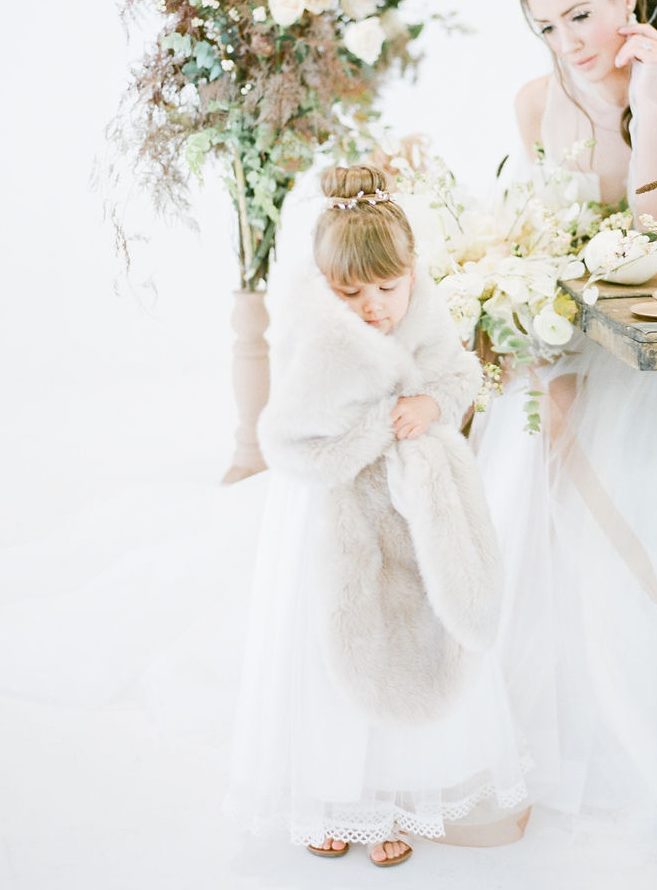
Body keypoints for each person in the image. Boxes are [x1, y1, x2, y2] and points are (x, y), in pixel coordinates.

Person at [475, 0, 657, 864]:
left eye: (580, 16)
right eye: (546, 27)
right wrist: (527, 334)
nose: (567, 43)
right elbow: (531, 241)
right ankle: (518, 730)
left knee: (606, 462)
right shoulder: (535, 101)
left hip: (653, 341)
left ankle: (634, 736)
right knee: (532, 449)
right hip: (556, 329)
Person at [224, 165, 530, 867]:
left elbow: (461, 373)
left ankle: (391, 800)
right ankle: (327, 800)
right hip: (332, 513)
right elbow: (288, 439)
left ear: (411, 271)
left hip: (411, 509)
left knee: (408, 640)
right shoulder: (314, 332)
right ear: (324, 282)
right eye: (351, 292)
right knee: (333, 645)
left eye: (388, 289)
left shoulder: (423, 307)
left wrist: (429, 405)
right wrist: (376, 429)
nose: (373, 307)